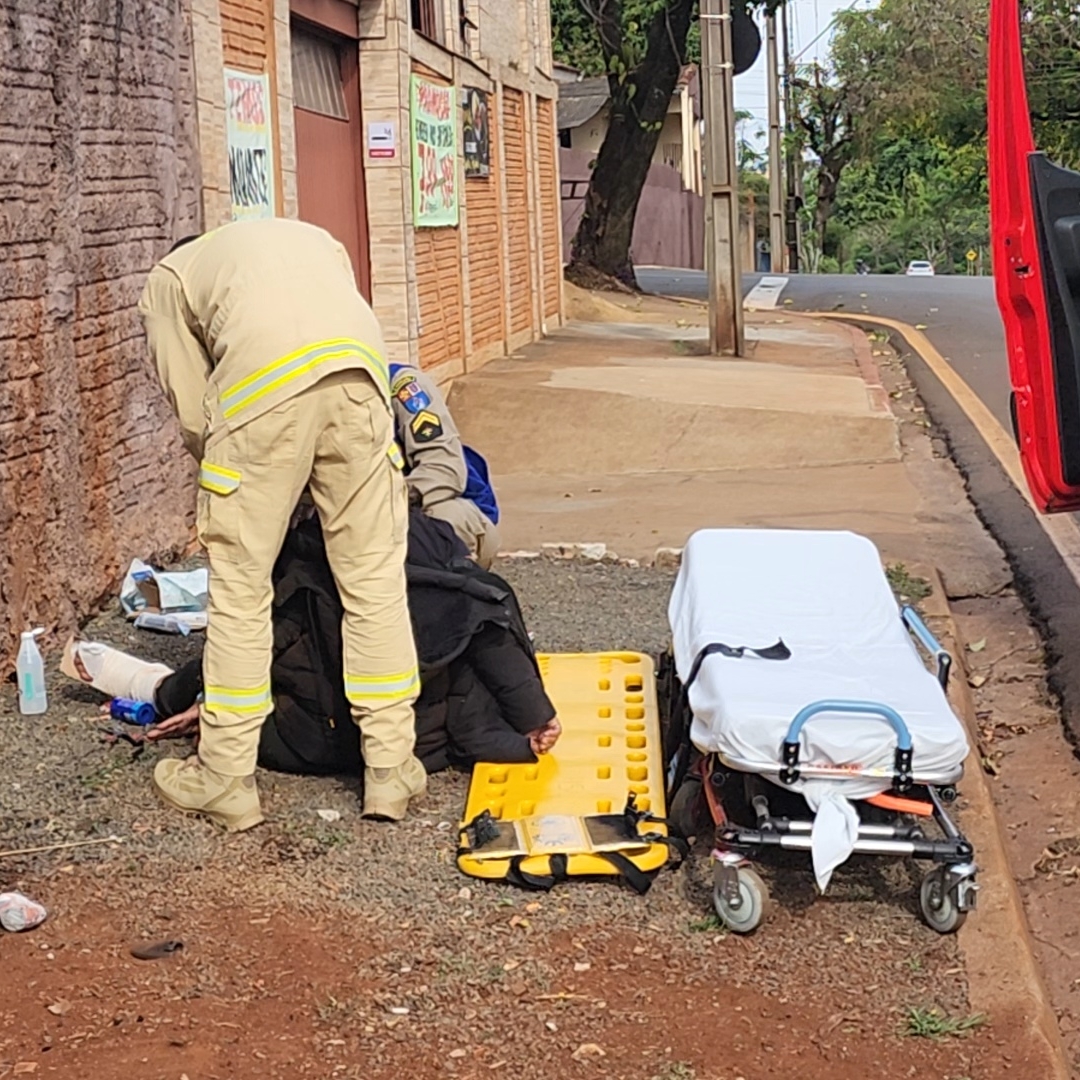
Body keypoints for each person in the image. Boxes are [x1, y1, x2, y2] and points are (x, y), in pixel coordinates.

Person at [138, 218, 424, 831]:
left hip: (262, 396)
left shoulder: (167, 282)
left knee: (241, 593)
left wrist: (241, 482)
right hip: (360, 380)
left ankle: (225, 778)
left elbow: (193, 409)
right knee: (374, 580)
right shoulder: (312, 237)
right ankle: (391, 768)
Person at [69, 511, 561, 773]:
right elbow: (490, 640)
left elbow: (256, 646)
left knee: (246, 668)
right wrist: (533, 725)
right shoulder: (432, 552)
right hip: (416, 748)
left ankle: (160, 694)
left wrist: (208, 702)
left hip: (313, 745)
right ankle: (181, 701)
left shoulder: (300, 561)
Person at [388, 362, 501, 568]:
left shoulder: (402, 386)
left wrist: (384, 504)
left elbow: (444, 468)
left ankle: (457, 592)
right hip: (353, 520)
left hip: (413, 508)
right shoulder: (317, 399)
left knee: (446, 516)